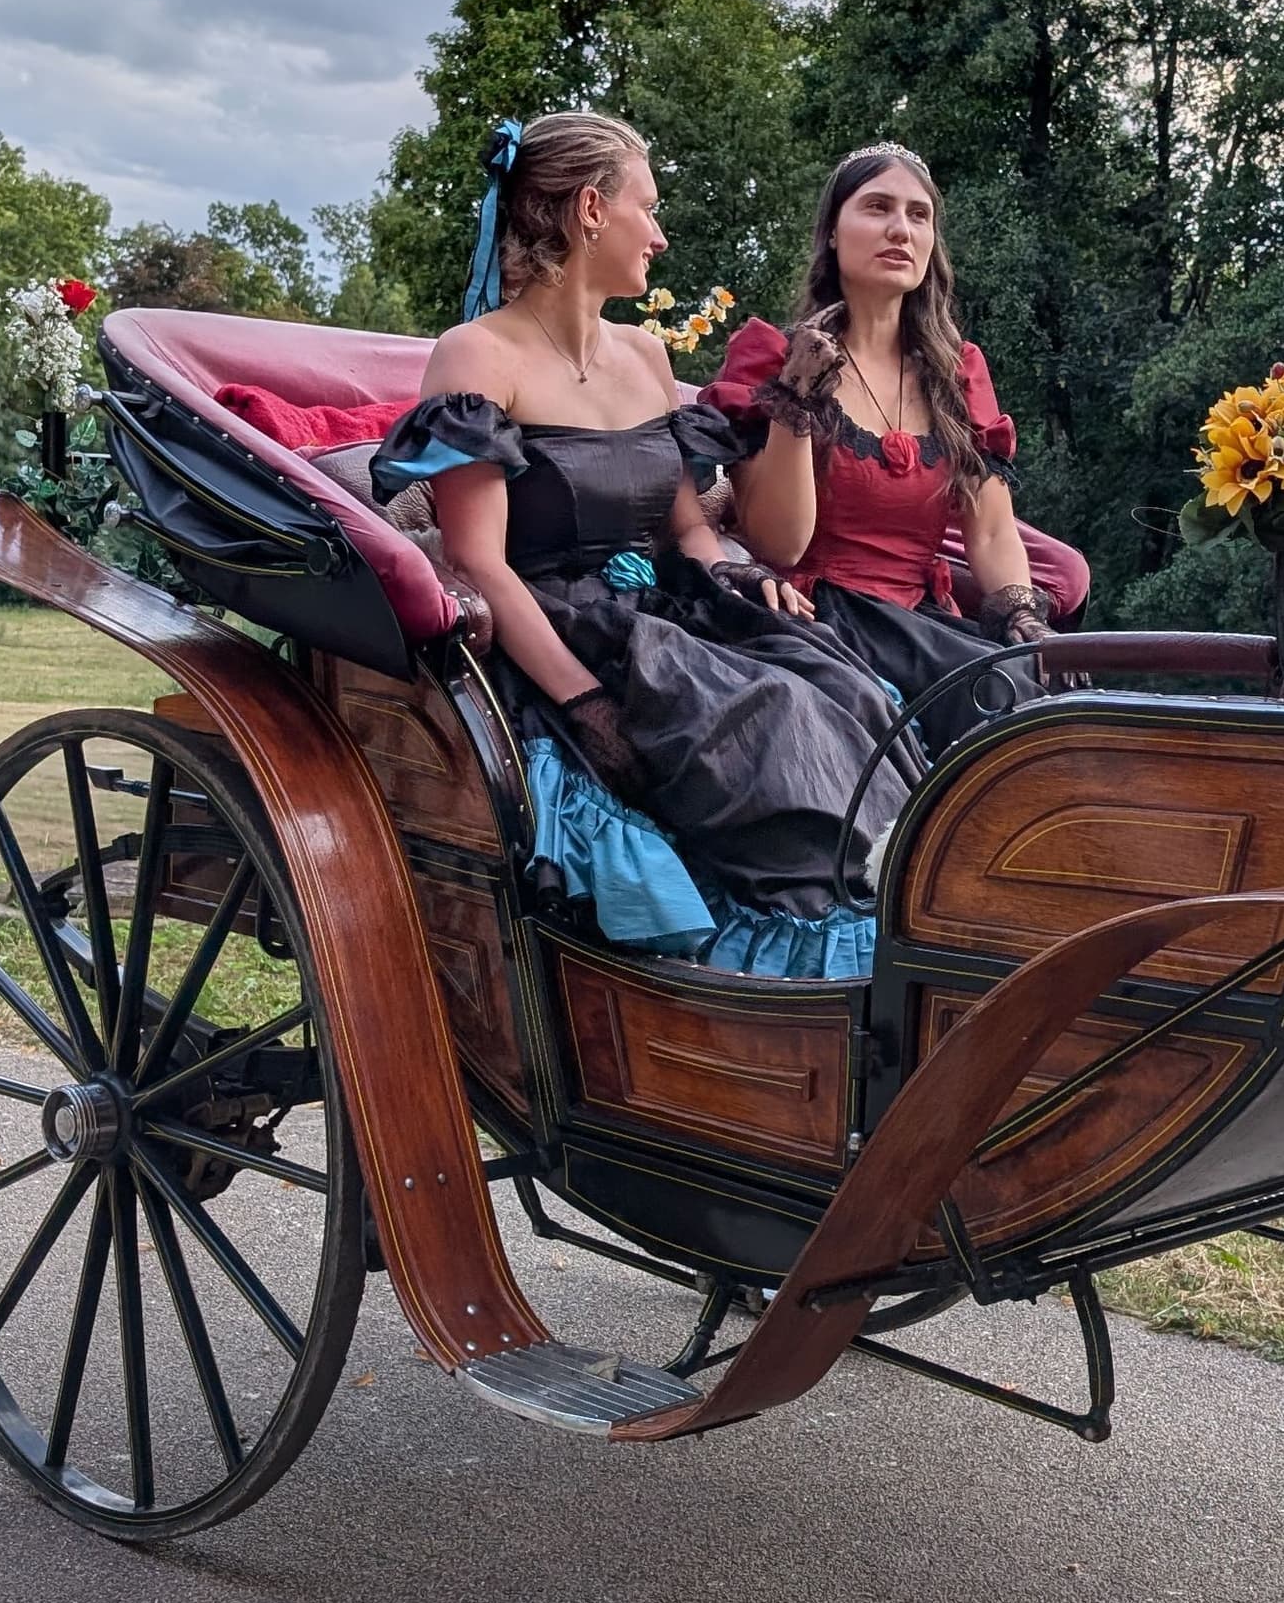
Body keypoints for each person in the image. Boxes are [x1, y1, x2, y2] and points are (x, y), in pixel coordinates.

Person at [378, 112, 907, 971]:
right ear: (591, 209)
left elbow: (688, 524)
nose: (658, 235)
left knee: (845, 687)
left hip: (666, 604)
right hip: (557, 622)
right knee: (769, 718)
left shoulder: (645, 356)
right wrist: (585, 702)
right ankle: (792, 964)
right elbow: (476, 561)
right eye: (647, 209)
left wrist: (737, 574)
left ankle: (890, 911)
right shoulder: (476, 357)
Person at [709, 142, 1048, 750]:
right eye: (877, 207)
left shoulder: (956, 372)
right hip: (819, 617)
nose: (900, 229)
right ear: (833, 233)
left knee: (1041, 693)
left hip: (919, 619)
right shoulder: (773, 358)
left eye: (919, 215)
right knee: (991, 694)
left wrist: (1021, 612)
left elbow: (993, 533)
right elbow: (779, 543)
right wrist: (798, 396)